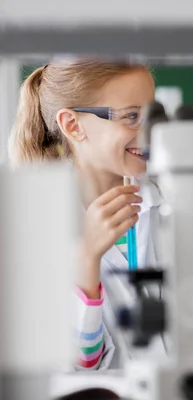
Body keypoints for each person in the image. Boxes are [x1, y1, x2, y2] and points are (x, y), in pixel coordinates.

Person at [9, 58, 161, 369]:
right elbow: (78, 365)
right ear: (73, 125)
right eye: (132, 116)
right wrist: (86, 259)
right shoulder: (32, 230)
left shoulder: (175, 203)